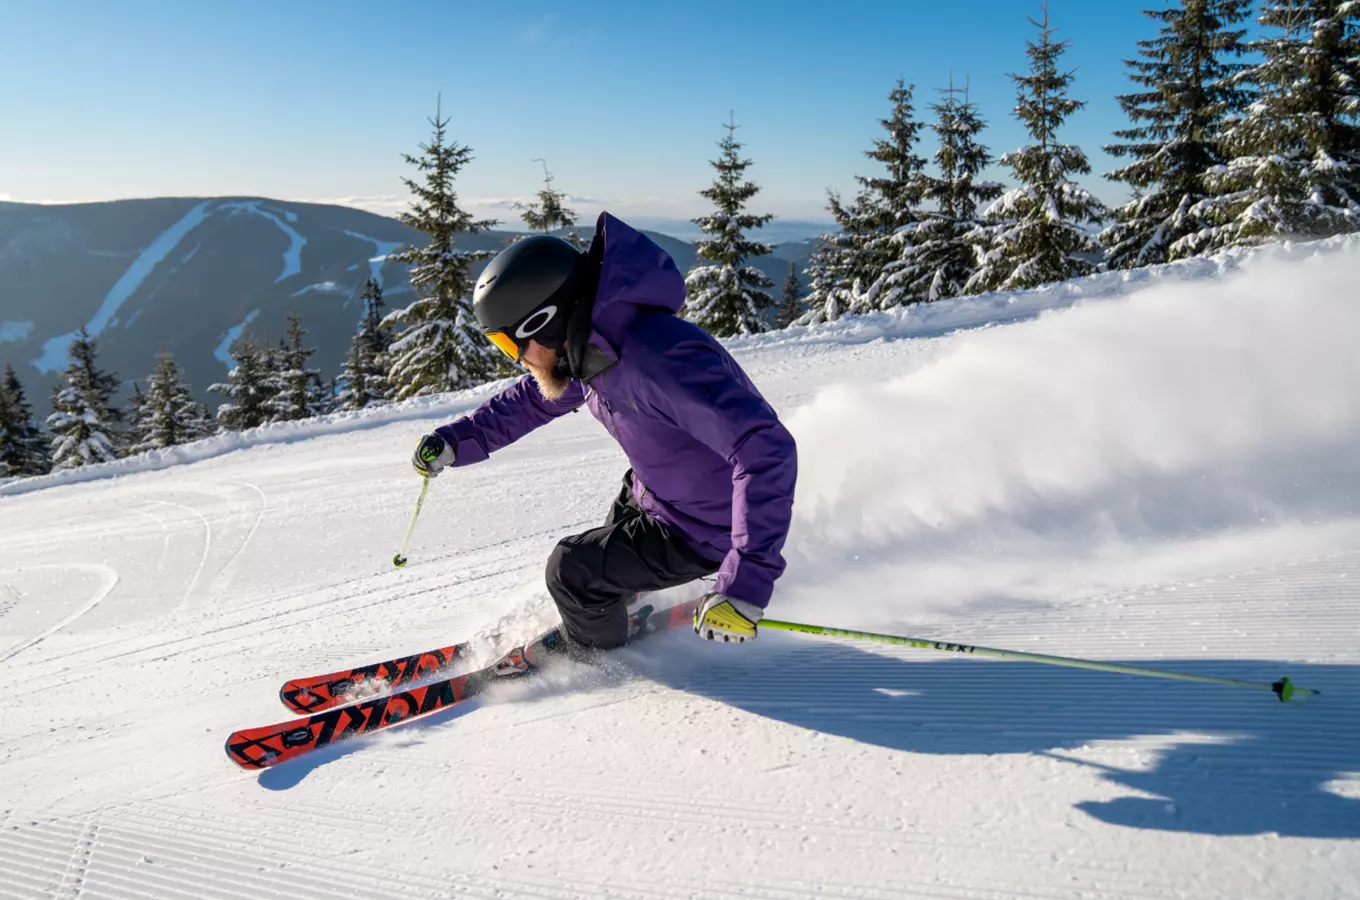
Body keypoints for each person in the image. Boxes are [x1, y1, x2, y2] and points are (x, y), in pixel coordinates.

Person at [411, 212, 797, 651]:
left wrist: (746, 583)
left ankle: (595, 657)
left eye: (509, 343)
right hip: (659, 497)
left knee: (571, 569)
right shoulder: (595, 346)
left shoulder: (658, 359)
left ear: (545, 322)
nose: (517, 358)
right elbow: (531, 400)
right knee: (609, 538)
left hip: (706, 529)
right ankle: (613, 608)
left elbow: (765, 448)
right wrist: (457, 441)